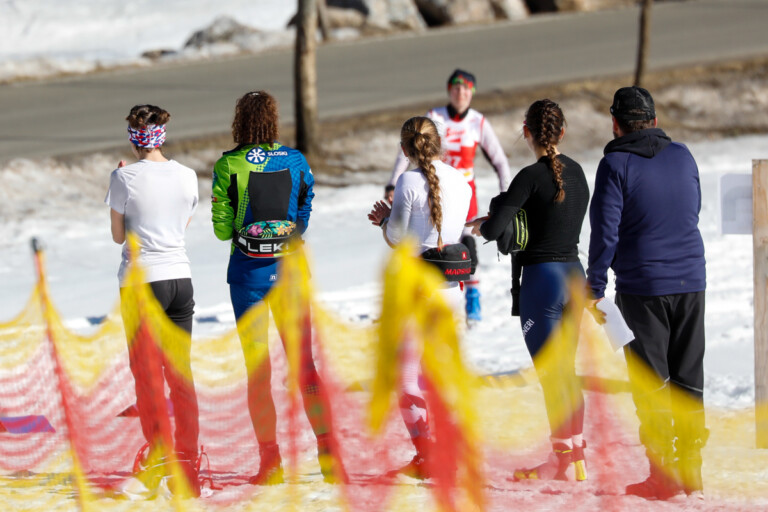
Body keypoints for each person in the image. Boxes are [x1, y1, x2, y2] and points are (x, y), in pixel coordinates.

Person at [211, 90, 346, 485]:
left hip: (247, 277)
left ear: (239, 121)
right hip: (290, 274)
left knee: (259, 373)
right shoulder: (295, 160)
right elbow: (305, 211)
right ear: (273, 119)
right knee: (305, 367)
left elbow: (222, 231)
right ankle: (328, 454)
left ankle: (270, 463)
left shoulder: (228, 165)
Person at [586, 86, 707, 500]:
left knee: (651, 383)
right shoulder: (684, 155)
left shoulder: (615, 163)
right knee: (689, 378)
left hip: (643, 287)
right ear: (654, 121)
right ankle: (691, 470)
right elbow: (692, 209)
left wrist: (595, 285)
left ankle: (662, 474)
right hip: (692, 280)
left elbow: (605, 231)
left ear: (616, 124)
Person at [467, 99, 590, 482]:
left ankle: (561, 463)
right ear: (563, 132)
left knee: (552, 376)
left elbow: (492, 230)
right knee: (567, 372)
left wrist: (491, 217)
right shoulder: (579, 172)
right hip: (575, 277)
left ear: (527, 133)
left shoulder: (529, 177)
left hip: (543, 282)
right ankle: (576, 458)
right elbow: (554, 217)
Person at [105, 104, 201, 497]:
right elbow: (182, 224)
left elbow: (117, 236)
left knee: (147, 375)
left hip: (142, 283)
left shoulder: (123, 177)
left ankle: (159, 455)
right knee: (181, 374)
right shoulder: (187, 175)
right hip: (180, 278)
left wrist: (125, 179)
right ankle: (189, 462)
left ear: (133, 136)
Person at [369, 116, 471, 479]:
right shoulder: (461, 181)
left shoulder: (408, 181)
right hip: (451, 293)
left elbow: (398, 239)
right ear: (438, 143)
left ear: (404, 149)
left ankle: (427, 454)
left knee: (407, 379)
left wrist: (383, 221)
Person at [386, 69, 511, 324]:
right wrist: (391, 182)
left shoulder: (478, 121)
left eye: (466, 89)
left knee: (464, 247)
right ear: (448, 90)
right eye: (456, 88)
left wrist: (506, 194)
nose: (460, 93)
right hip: (428, 187)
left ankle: (472, 293)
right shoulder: (434, 117)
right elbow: (408, 150)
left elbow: (499, 160)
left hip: (461, 191)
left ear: (472, 93)